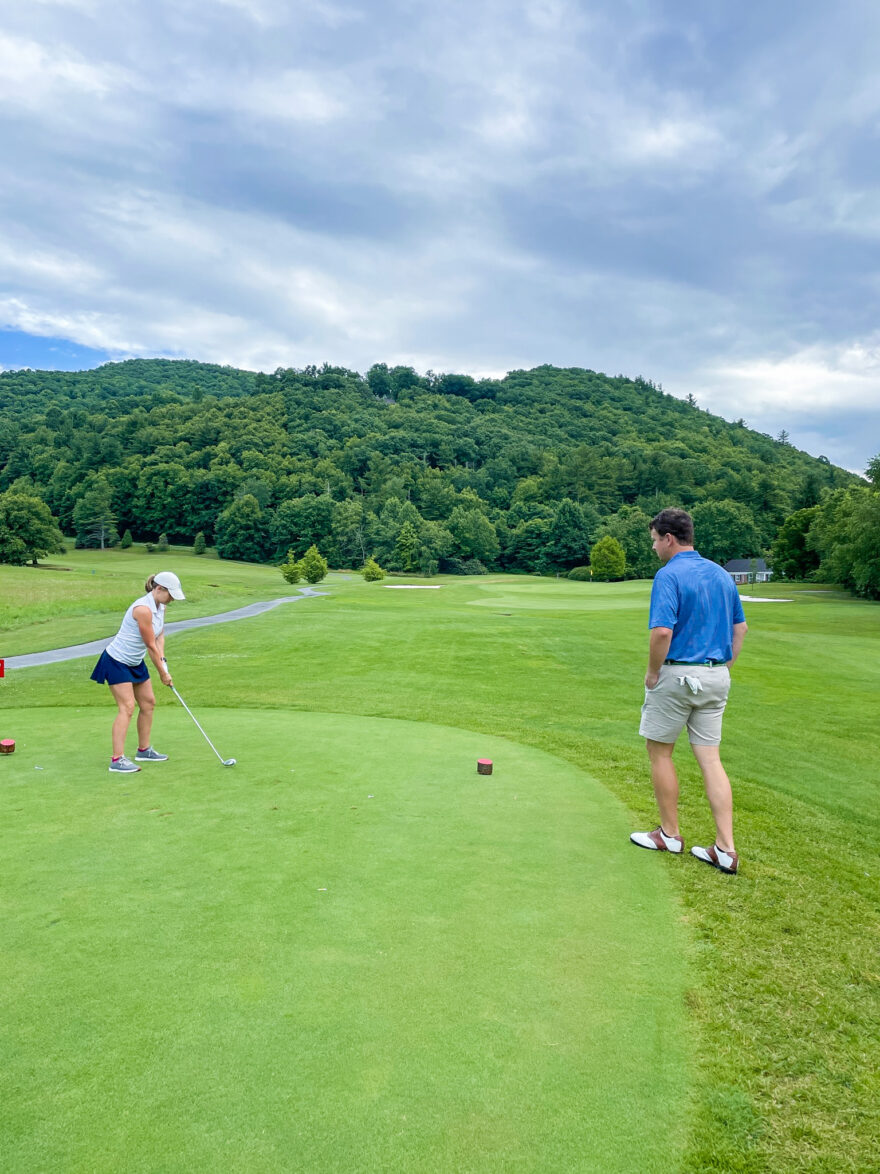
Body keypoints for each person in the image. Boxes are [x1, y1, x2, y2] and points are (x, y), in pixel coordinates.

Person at [629, 509, 747, 874]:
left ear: (668, 538)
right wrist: (722, 669)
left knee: (660, 752)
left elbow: (662, 632)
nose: (653, 547)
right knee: (710, 759)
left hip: (678, 676)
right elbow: (739, 629)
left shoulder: (669, 575)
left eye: (654, 540)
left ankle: (670, 834)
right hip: (715, 677)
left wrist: (652, 673)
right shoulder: (720, 574)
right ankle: (725, 849)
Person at [90, 571, 185, 773]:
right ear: (159, 589)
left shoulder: (162, 607)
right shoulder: (142, 609)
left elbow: (159, 638)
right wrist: (162, 673)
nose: (172, 599)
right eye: (170, 594)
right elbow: (150, 644)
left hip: (134, 661)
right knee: (127, 707)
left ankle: (144, 750)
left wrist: (164, 662)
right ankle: (117, 760)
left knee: (149, 703)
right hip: (116, 660)